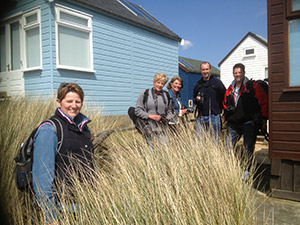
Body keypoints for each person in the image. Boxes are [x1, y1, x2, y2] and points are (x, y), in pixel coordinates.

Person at [32, 83, 94, 224]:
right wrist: (51, 217)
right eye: (69, 101)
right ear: (59, 102)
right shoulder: (49, 130)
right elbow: (42, 177)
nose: (74, 105)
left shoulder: (84, 128)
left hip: (86, 204)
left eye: (78, 101)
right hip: (63, 208)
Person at [223, 63, 268, 166]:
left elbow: (264, 102)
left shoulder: (253, 86)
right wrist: (225, 117)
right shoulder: (230, 89)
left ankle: (248, 170)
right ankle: (228, 168)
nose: (237, 74)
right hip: (234, 123)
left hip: (249, 121)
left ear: (244, 72)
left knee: (248, 147)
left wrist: (264, 119)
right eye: (235, 73)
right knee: (228, 146)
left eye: (240, 72)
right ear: (233, 74)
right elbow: (225, 105)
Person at [135, 73, 175, 140]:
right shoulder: (145, 94)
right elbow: (138, 110)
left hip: (162, 129)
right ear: (154, 82)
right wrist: (150, 116)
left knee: (165, 149)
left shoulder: (167, 95)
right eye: (158, 82)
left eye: (162, 83)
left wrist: (167, 118)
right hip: (148, 129)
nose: (160, 85)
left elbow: (170, 111)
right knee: (151, 149)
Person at [193, 61, 226, 135]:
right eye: (203, 69)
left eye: (207, 69)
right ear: (201, 71)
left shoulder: (217, 83)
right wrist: (197, 99)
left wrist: (222, 111)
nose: (205, 71)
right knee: (198, 140)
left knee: (215, 140)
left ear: (210, 70)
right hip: (201, 116)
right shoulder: (198, 84)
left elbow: (225, 96)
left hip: (214, 116)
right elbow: (194, 97)